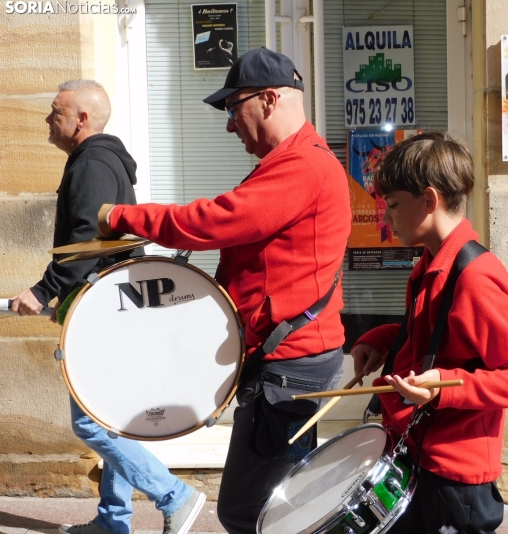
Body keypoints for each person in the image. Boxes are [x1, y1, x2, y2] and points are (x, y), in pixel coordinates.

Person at [96, 48, 351, 534]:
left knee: (252, 511)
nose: (230, 125)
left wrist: (121, 216)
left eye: (234, 108)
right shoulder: (297, 159)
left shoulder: (301, 165)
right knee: (280, 505)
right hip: (290, 359)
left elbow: (217, 220)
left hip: (288, 365)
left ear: (270, 99)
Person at [11, 80, 205, 534]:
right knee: (113, 419)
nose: (46, 119)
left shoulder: (92, 163)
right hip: (116, 305)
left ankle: (175, 495)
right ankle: (113, 521)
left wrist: (44, 290)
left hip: (106, 310)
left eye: (55, 111)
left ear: (82, 119)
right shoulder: (100, 160)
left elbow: (86, 242)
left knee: (92, 425)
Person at [351, 132, 508, 534]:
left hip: (455, 478)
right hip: (420, 458)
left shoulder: (476, 276)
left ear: (429, 200)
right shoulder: (431, 260)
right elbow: (439, 335)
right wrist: (383, 339)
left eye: (392, 205)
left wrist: (442, 387)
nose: (385, 217)